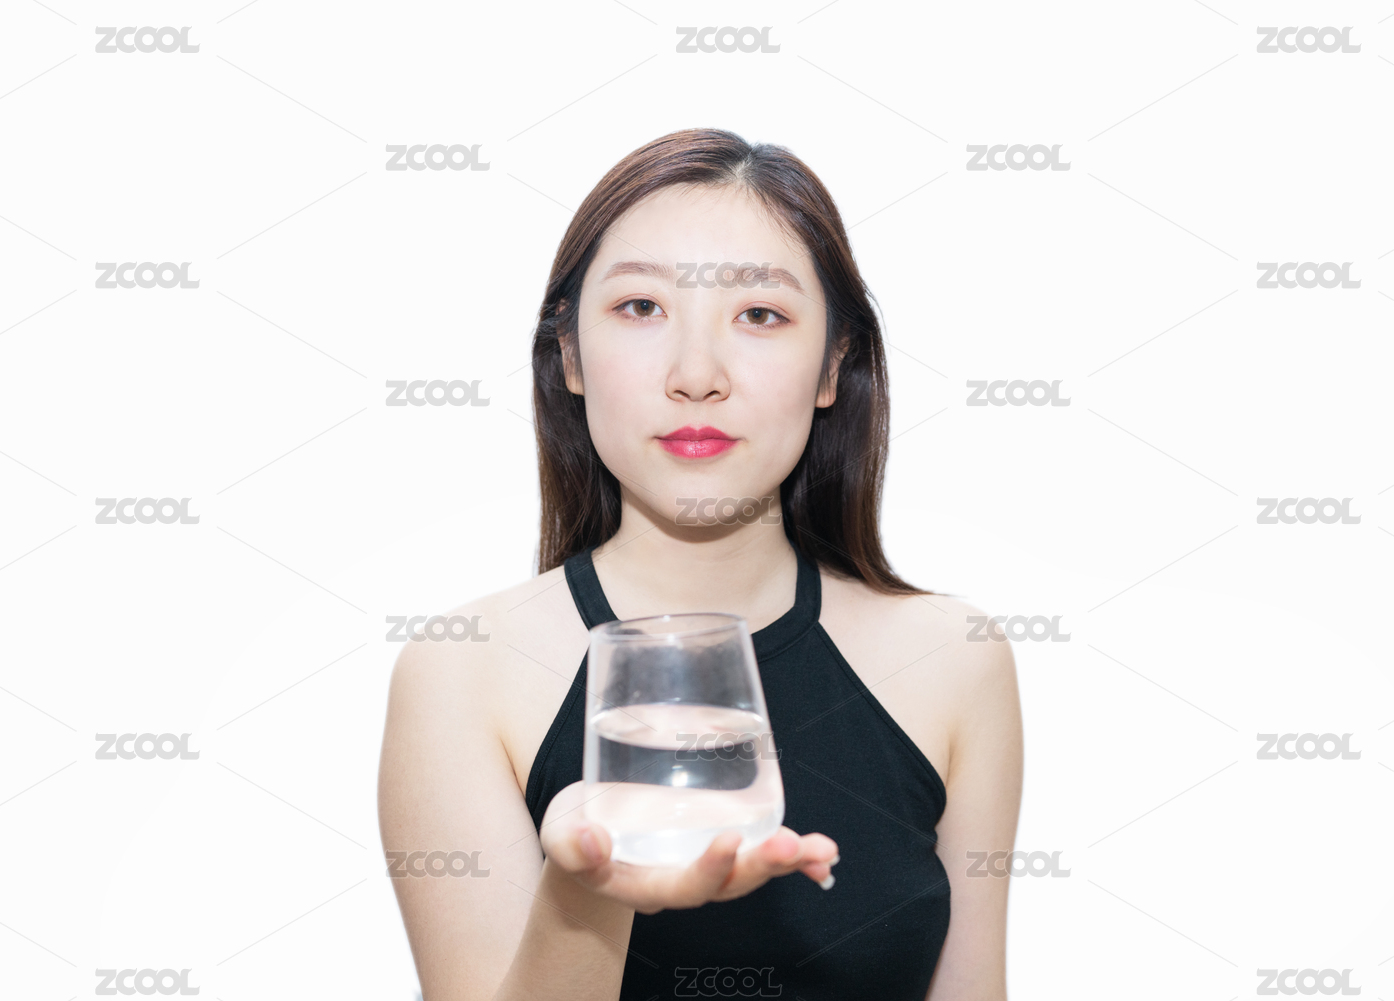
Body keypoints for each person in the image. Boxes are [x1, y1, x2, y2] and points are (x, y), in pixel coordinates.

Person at [378, 128, 1023, 1000]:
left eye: (760, 314)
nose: (696, 374)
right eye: (641, 306)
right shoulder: (463, 671)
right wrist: (586, 887)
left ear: (834, 365)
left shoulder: (953, 656)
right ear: (568, 354)